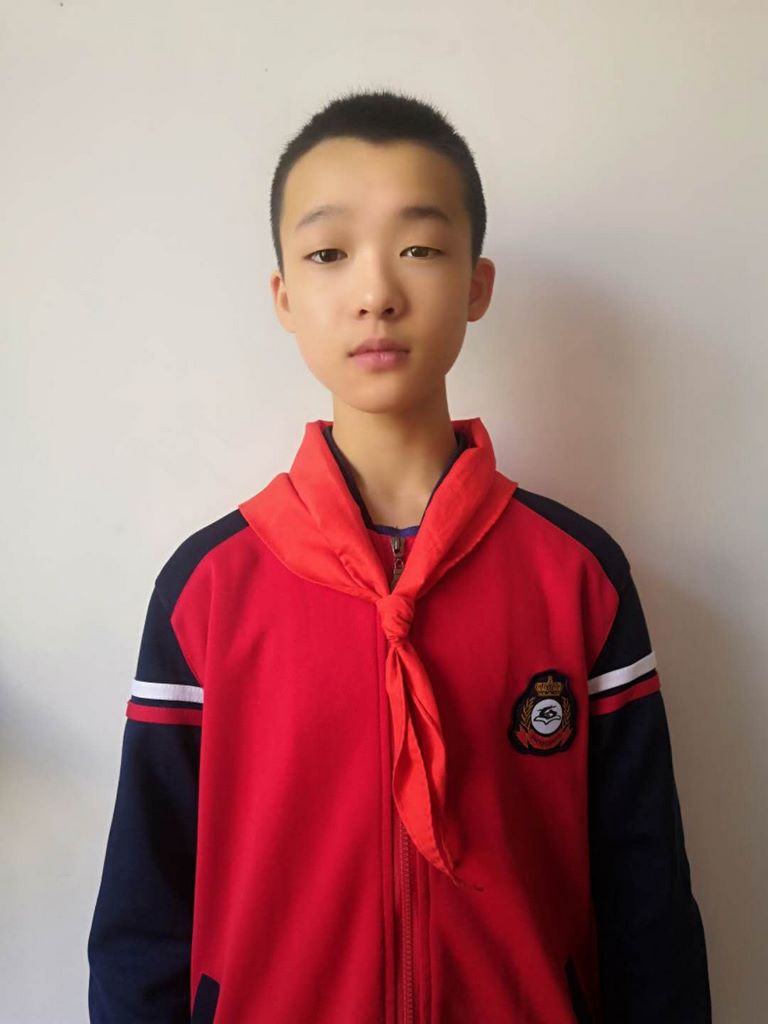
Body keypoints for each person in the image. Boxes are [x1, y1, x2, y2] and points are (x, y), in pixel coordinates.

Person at [87, 88, 711, 1023]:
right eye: (329, 254)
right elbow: (143, 915)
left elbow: (647, 905)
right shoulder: (208, 589)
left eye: (419, 248)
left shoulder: (578, 577)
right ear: (284, 297)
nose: (376, 292)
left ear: (477, 284)